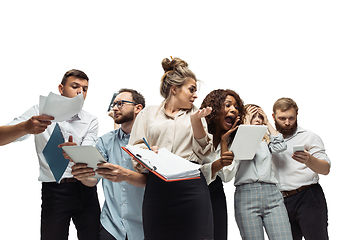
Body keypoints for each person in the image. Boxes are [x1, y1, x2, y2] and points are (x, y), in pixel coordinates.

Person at [0, 69, 100, 240]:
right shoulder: (38, 112)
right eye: (75, 86)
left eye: (84, 89)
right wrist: (25, 127)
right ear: (61, 88)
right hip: (55, 190)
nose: (80, 92)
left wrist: (76, 152)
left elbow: (89, 157)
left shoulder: (91, 120)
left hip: (86, 189)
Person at [128, 57, 214, 240]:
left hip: (191, 186)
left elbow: (205, 152)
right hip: (158, 187)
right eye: (191, 89)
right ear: (174, 89)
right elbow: (136, 148)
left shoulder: (196, 114)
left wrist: (196, 121)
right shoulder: (148, 113)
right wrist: (148, 153)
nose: (195, 95)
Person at [69, 88, 146, 240]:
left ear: (138, 108)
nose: (115, 108)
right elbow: (93, 180)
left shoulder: (152, 141)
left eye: (121, 104)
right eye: (114, 104)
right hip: (112, 226)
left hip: (144, 226)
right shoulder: (105, 141)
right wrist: (81, 173)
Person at [219, 104, 293, 240]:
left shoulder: (266, 141)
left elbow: (281, 146)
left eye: (260, 116)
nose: (258, 119)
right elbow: (245, 153)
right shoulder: (233, 140)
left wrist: (268, 122)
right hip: (247, 195)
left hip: (272, 194)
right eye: (253, 116)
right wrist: (246, 124)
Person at [271, 97, 330, 240]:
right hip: (278, 201)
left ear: (297, 115)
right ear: (273, 117)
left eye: (291, 118)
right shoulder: (267, 139)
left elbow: (325, 168)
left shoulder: (309, 137)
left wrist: (310, 160)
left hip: (308, 196)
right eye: (282, 118)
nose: (287, 123)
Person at [199, 89, 245, 240]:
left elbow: (226, 176)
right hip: (195, 189)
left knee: (218, 235)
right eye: (228, 105)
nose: (233, 110)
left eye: (236, 107)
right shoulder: (200, 133)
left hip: (215, 191)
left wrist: (224, 142)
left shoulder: (234, 141)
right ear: (215, 108)